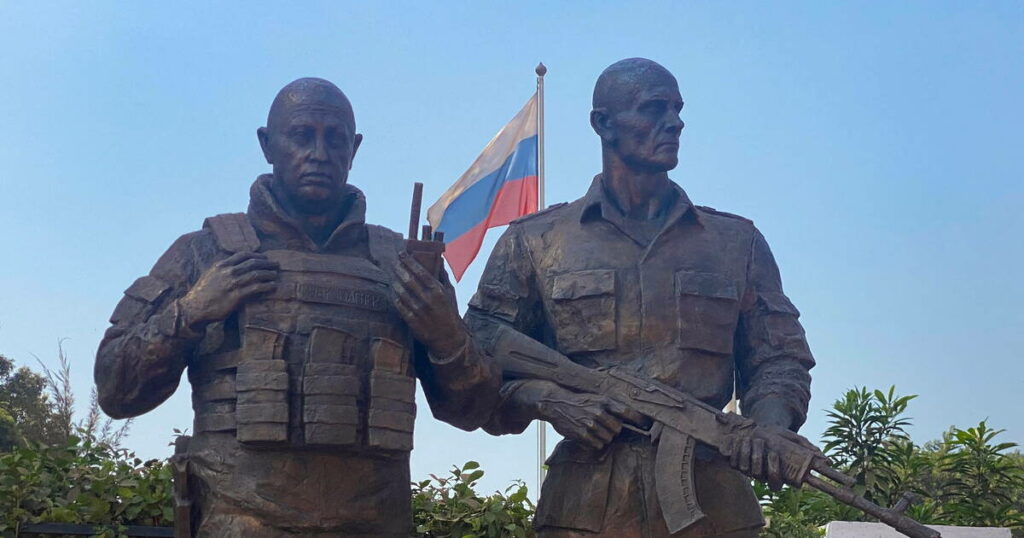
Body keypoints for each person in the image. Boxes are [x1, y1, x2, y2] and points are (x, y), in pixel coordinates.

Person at [95, 77, 498, 537]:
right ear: (268, 145)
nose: (320, 153)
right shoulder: (204, 253)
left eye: (336, 139)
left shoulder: (402, 266)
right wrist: (189, 314)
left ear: (355, 149)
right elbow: (115, 390)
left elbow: (474, 411)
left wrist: (446, 336)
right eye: (302, 136)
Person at [467, 59, 816, 537]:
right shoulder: (537, 241)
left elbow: (780, 360)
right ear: (603, 123)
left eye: (676, 109)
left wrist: (771, 429)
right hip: (584, 512)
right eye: (654, 109)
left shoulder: (737, 243)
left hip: (714, 508)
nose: (674, 122)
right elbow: (478, 368)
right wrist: (545, 398)